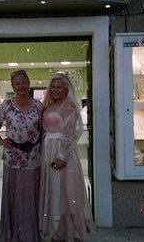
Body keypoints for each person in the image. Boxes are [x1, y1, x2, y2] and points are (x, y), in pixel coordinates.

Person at [0, 70, 43, 242]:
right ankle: (13, 234)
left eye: (24, 82)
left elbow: (46, 129)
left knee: (31, 197)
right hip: (12, 158)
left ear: (28, 82)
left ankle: (30, 234)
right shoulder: (7, 105)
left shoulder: (39, 106)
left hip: (33, 158)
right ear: (13, 86)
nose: (21, 86)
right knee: (14, 196)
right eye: (17, 83)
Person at [39, 73, 92, 242]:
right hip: (48, 151)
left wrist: (62, 156)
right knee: (56, 193)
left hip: (63, 153)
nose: (55, 90)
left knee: (66, 191)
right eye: (53, 87)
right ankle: (60, 230)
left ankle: (71, 230)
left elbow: (70, 134)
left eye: (59, 87)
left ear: (66, 89)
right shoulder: (48, 105)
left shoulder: (69, 106)